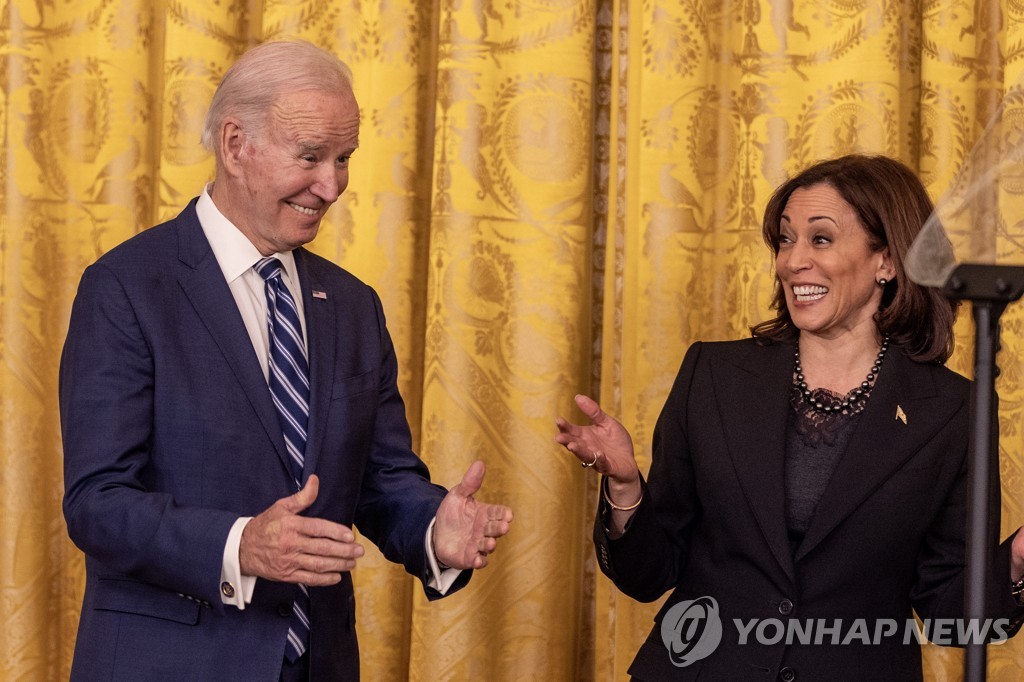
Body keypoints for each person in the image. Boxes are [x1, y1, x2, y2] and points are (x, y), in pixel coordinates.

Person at [60, 39, 512, 681]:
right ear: (236, 144)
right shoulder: (128, 287)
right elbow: (97, 502)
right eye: (310, 157)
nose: (331, 186)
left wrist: (434, 529)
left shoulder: (353, 305)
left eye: (343, 159)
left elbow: (382, 479)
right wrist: (239, 545)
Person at [555, 154, 1024, 680]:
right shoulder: (714, 374)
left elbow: (950, 613)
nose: (791, 260)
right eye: (785, 239)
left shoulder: (952, 410)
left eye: (820, 239)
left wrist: (1018, 561)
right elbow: (650, 573)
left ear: (887, 262)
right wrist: (624, 488)